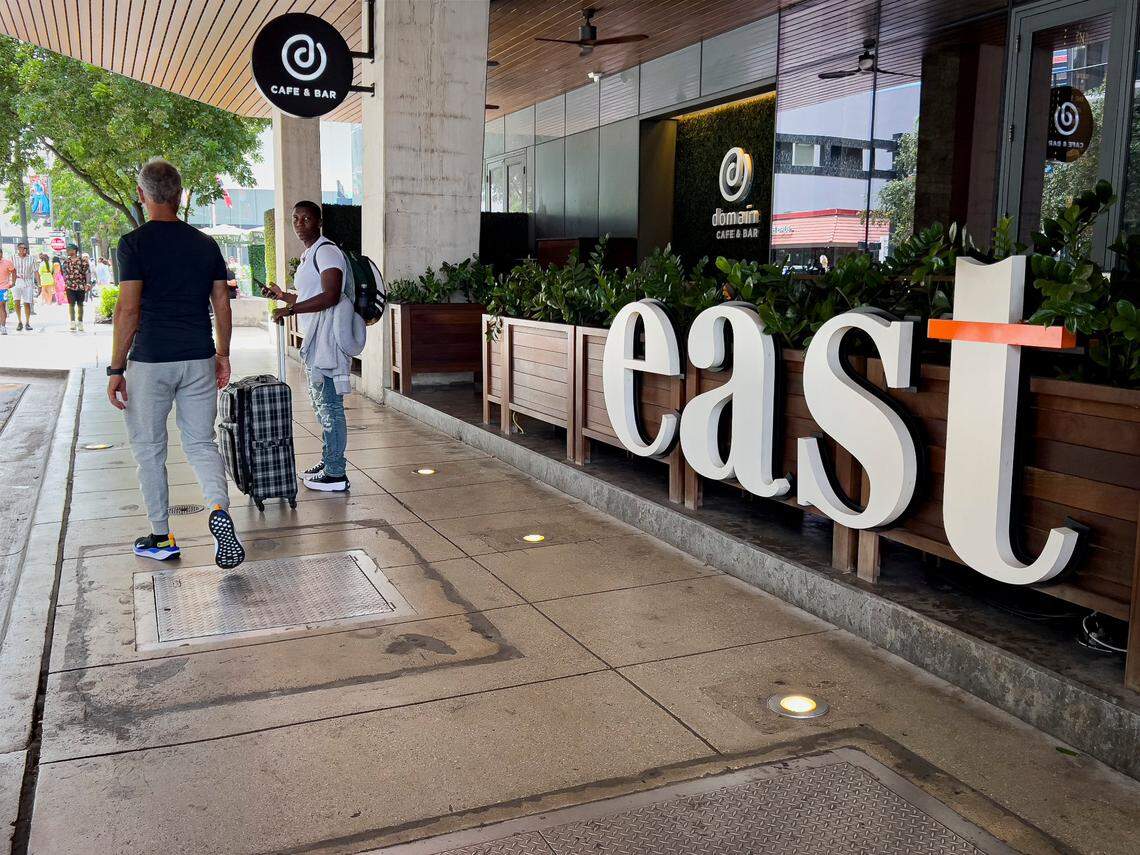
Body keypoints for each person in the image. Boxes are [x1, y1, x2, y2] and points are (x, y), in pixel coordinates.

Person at [107, 158, 245, 569]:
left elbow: (128, 311)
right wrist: (222, 353)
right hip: (198, 356)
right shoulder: (206, 245)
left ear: (142, 195)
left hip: (151, 361)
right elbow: (222, 302)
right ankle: (219, 511)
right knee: (201, 443)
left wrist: (116, 369)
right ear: (181, 195)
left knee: (150, 449)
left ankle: (161, 536)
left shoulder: (133, 244)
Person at [264, 200, 357, 492]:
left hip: (328, 339)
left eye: (306, 218)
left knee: (331, 405)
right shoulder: (310, 255)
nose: (299, 223)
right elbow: (310, 296)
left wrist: (290, 312)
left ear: (319, 221)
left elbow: (330, 296)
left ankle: (336, 473)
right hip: (316, 339)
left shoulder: (327, 251)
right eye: (295, 218)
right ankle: (329, 459)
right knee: (322, 405)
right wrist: (283, 297)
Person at [61, 244, 90, 332]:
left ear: (74, 251)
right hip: (69, 286)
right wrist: (64, 283)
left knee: (80, 304)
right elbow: (64, 274)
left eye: (69, 249)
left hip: (80, 285)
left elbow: (87, 273)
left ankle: (80, 322)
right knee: (71, 304)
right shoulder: (66, 262)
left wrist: (88, 283)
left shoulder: (83, 261)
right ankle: (72, 322)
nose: (67, 251)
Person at [12, 243, 38, 330]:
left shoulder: (31, 258)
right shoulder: (12, 257)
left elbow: (36, 271)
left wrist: (40, 284)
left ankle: (27, 322)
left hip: (28, 281)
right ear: (18, 248)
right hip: (16, 281)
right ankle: (19, 322)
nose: (23, 250)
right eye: (21, 248)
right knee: (17, 301)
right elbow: (9, 270)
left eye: (24, 248)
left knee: (27, 302)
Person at [0, 247, 12, 335]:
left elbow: (14, 271)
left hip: (3, 288)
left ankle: (3, 327)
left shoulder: (7, 262)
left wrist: (13, 282)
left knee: (2, 306)